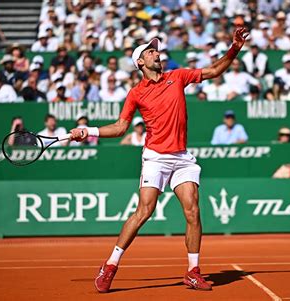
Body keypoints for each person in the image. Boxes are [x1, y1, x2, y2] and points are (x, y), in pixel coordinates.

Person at [69, 27, 250, 293]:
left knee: (193, 211)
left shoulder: (177, 77)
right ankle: (110, 266)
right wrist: (89, 131)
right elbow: (121, 127)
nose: (156, 53)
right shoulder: (136, 93)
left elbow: (213, 71)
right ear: (140, 62)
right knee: (145, 211)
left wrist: (234, 48)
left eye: (156, 49)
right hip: (155, 157)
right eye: (150, 51)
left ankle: (192, 271)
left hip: (182, 158)